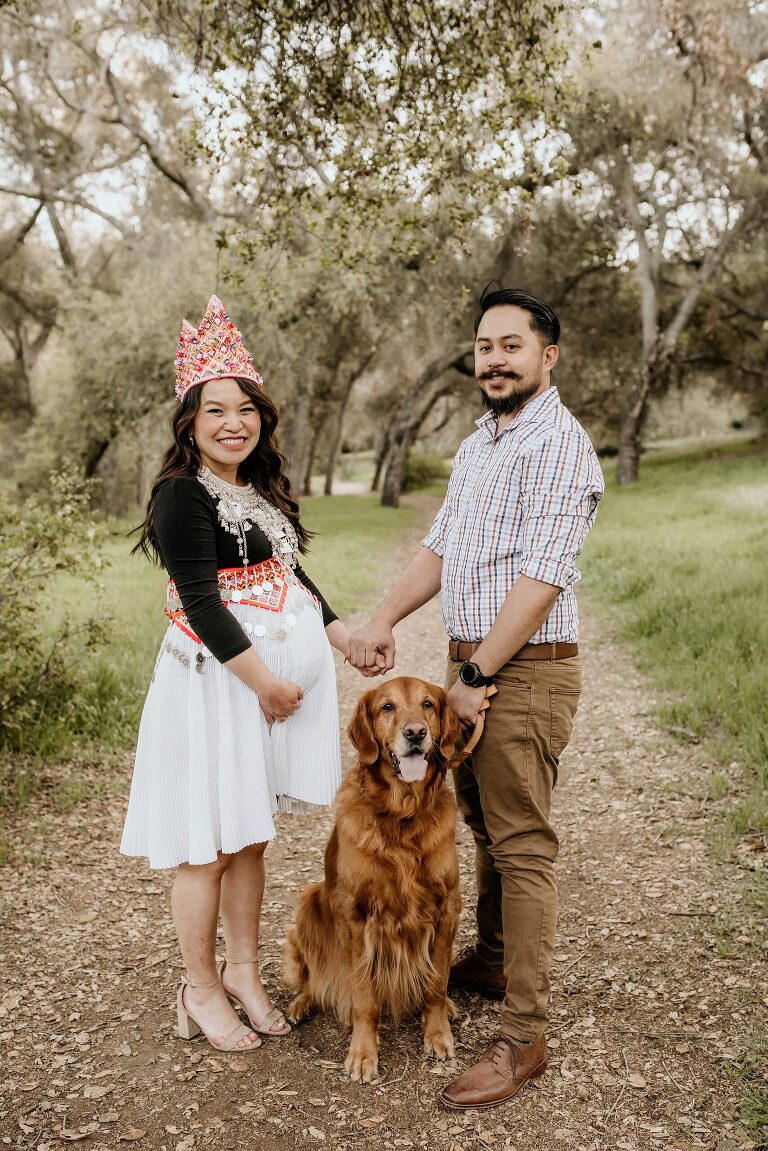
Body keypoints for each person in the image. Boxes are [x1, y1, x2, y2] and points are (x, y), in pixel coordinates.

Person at [349, 286, 604, 1108]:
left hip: (521, 668)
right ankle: (492, 957)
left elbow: (542, 579)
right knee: (485, 825)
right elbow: (441, 545)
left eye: (511, 345)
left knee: (522, 842)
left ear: (548, 355)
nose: (493, 358)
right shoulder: (480, 443)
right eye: (484, 346)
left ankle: (523, 1032)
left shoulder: (561, 445)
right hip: (473, 666)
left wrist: (476, 676)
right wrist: (384, 616)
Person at [121, 295, 347, 1053]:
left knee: (251, 837)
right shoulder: (181, 495)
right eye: (215, 410)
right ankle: (199, 985)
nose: (233, 423)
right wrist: (266, 683)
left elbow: (293, 577)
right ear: (190, 422)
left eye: (245, 409)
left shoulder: (257, 489)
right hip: (213, 685)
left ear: (262, 418)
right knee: (207, 845)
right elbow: (201, 603)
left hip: (253, 690)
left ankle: (245, 971)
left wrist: (339, 631)